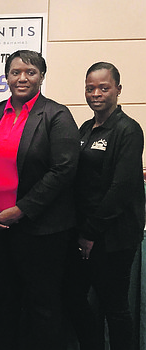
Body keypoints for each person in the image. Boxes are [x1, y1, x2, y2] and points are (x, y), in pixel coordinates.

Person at [0, 50, 79, 350]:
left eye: (30, 72)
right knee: (3, 302)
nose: (22, 78)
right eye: (15, 72)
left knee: (43, 306)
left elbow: (63, 169)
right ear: (6, 77)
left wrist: (21, 210)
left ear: (41, 76)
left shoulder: (56, 115)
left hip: (41, 232)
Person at [64, 62, 145, 350]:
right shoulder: (86, 128)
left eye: (103, 87)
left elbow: (120, 189)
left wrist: (91, 234)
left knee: (115, 307)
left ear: (118, 90)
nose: (96, 93)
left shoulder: (129, 130)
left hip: (113, 237)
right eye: (90, 88)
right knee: (74, 298)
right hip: (84, 232)